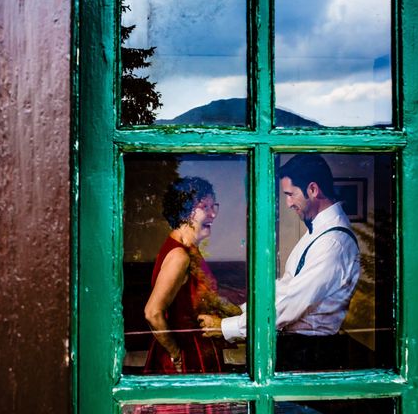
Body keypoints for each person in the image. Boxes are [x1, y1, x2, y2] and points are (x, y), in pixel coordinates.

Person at [198, 154, 360, 370]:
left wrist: (227, 327)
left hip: (311, 355)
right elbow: (286, 288)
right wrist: (242, 311)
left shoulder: (333, 243)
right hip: (298, 349)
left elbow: (292, 302)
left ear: (313, 189)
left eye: (290, 194)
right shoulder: (320, 233)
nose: (288, 203)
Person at [143, 176, 241, 374]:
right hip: (187, 358)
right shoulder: (179, 255)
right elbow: (152, 313)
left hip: (198, 351)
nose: (213, 214)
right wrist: (176, 354)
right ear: (185, 210)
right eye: (205, 207)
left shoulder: (189, 249)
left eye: (215, 206)